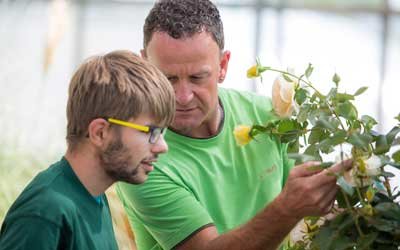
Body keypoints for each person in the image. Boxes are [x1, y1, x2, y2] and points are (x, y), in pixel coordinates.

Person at [117, 1, 352, 250]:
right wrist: (286, 209)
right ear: (145, 67)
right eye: (168, 79)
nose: (183, 96)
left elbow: (315, 213)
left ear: (223, 66)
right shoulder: (140, 158)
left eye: (197, 77)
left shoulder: (268, 117)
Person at [0, 50, 175, 250]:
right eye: (151, 131)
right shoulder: (45, 214)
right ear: (100, 132)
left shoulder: (95, 197)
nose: (162, 146)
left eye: (162, 132)